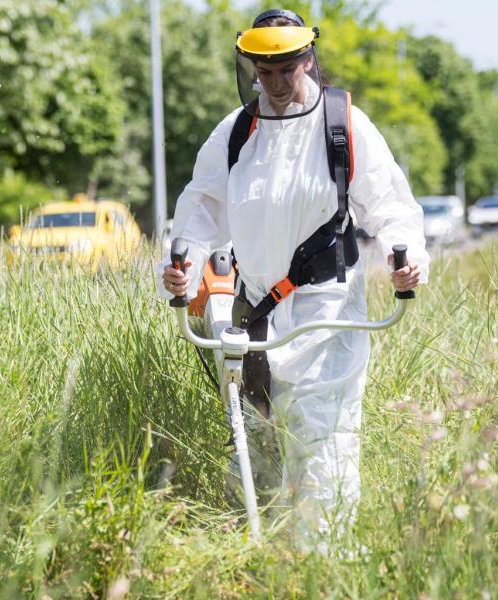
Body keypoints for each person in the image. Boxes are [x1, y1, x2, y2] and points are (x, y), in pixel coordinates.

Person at [159, 8, 428, 551]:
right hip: (252, 312)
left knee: (321, 444)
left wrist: (407, 258)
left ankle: (323, 569)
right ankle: (268, 565)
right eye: (266, 72)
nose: (278, 83)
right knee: (258, 447)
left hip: (326, 312)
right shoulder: (237, 133)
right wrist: (180, 266)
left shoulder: (342, 123)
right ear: (252, 69)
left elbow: (392, 207)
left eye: (287, 68)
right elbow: (201, 207)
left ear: (308, 59)